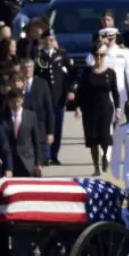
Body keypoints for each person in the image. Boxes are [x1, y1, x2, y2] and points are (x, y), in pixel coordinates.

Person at [74, 44, 122, 176]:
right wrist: (78, 107)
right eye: (97, 55)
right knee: (92, 139)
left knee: (105, 136)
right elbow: (80, 92)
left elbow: (115, 92)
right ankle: (96, 166)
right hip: (89, 109)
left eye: (102, 55)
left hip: (105, 108)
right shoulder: (87, 72)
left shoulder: (110, 73)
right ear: (93, 56)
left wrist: (118, 109)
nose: (99, 58)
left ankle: (105, 155)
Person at [35, 30, 74, 165]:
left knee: (57, 127)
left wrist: (70, 90)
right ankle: (46, 155)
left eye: (51, 40)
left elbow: (71, 74)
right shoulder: (38, 57)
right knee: (45, 126)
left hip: (58, 98)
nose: (49, 42)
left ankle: (54, 154)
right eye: (47, 40)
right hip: (44, 98)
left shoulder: (62, 54)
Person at [1, 88, 42, 177]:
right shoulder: (2, 118)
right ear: (8, 102)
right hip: (10, 163)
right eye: (13, 102)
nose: (16, 105)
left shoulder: (31, 116)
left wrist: (38, 162)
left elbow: (36, 141)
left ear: (23, 100)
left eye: (18, 101)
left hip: (28, 161)